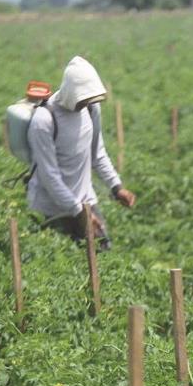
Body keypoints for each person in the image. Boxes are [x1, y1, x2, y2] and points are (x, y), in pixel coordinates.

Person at [27, 56, 135, 250]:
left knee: (102, 255)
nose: (85, 104)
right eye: (82, 99)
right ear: (71, 92)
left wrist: (116, 187)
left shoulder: (92, 108)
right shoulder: (44, 120)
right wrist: (80, 212)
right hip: (51, 210)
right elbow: (50, 176)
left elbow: (97, 154)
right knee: (57, 265)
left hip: (85, 203)